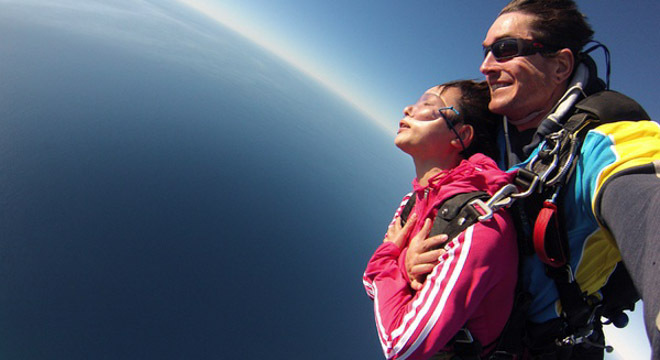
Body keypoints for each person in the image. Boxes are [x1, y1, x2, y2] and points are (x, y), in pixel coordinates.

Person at [406, 0, 660, 358]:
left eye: (505, 49)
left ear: (560, 66)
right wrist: (409, 254)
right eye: (486, 52)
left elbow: (648, 204)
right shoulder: (484, 130)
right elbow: (434, 191)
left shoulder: (604, 144)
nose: (486, 66)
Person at [363, 80, 518, 359]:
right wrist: (403, 264)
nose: (409, 108)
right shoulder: (414, 202)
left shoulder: (480, 224)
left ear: (461, 135)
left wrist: (392, 260)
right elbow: (370, 282)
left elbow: (401, 345)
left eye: (428, 105)